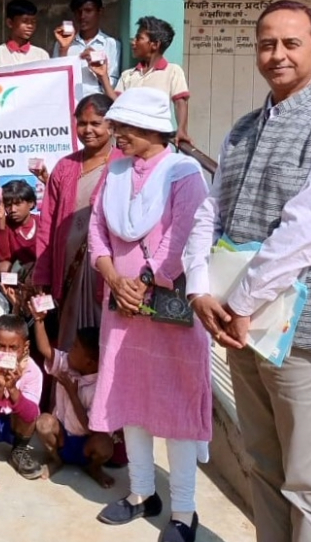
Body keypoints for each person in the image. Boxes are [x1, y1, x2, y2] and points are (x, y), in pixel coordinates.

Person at [184, 0, 311, 542]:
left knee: (307, 484)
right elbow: (210, 213)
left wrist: (239, 303)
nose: (277, 55)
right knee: (263, 466)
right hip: (238, 326)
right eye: (267, 44)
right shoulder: (244, 130)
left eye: (291, 44)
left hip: (300, 330)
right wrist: (199, 288)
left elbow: (309, 232)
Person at [87, 86, 211, 542]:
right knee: (132, 400)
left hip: (166, 309)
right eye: (117, 126)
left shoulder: (184, 173)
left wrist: (140, 281)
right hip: (122, 305)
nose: (117, 134)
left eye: (126, 127)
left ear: (154, 129)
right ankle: (142, 493)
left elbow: (182, 238)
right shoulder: (115, 171)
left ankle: (183, 512)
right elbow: (97, 230)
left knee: (176, 408)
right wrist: (113, 278)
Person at [34, 93, 118, 351]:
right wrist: (42, 273)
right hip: (67, 267)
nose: (88, 130)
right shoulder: (65, 167)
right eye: (82, 123)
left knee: (105, 339)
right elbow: (47, 223)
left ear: (112, 125)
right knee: (70, 342)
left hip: (107, 270)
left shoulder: (123, 165)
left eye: (96, 123)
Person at [32, 323, 114, 489]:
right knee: (43, 422)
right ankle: (56, 460)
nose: (70, 349)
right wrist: (39, 321)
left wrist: (72, 393)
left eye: (75, 347)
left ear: (89, 362)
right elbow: (45, 350)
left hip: (86, 444)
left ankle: (93, 468)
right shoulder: (67, 364)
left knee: (105, 445)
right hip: (63, 438)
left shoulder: (101, 389)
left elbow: (90, 428)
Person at [102, 16, 192, 147]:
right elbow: (117, 103)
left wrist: (181, 129)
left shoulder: (172, 71)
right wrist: (103, 76)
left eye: (139, 38)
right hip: (128, 141)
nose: (133, 42)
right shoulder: (129, 75)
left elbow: (180, 103)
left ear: (155, 45)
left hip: (155, 142)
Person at [0, 315, 44, 480]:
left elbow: (30, 414)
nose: (6, 353)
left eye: (13, 348)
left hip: (15, 421)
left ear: (25, 347)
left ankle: (19, 450)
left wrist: (12, 389)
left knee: (31, 410)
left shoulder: (32, 370)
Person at [52, 0, 121, 98]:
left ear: (100, 11)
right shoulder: (62, 43)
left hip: (97, 103)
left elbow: (112, 85)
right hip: (69, 101)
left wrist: (99, 69)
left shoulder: (111, 44)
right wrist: (63, 49)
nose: (82, 16)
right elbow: (55, 80)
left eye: (88, 11)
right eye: (78, 11)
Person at [0, 0, 50, 67]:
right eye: (25, 21)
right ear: (10, 23)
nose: (30, 26)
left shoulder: (41, 55)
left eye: (33, 22)